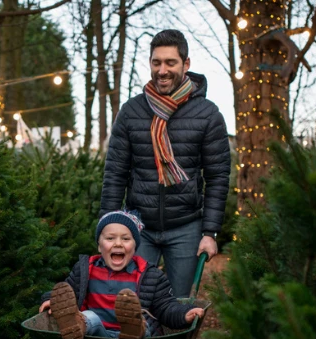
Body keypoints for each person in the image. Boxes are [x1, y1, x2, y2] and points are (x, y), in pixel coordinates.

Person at [99, 29, 231, 298]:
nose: (162, 70)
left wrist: (210, 232)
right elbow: (115, 173)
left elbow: (218, 176)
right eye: (156, 62)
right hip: (138, 228)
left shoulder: (207, 115)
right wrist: (108, 230)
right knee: (132, 304)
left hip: (186, 229)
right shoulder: (132, 112)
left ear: (186, 64)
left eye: (170, 62)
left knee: (178, 306)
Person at [39, 210, 203, 339]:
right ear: (99, 245)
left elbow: (166, 306)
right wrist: (50, 300)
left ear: (135, 246)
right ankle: (75, 327)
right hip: (97, 338)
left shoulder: (150, 275)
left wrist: (184, 314)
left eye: (126, 239)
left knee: (141, 325)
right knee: (88, 317)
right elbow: (67, 294)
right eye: (110, 238)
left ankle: (133, 329)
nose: (118, 243)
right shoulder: (85, 270)